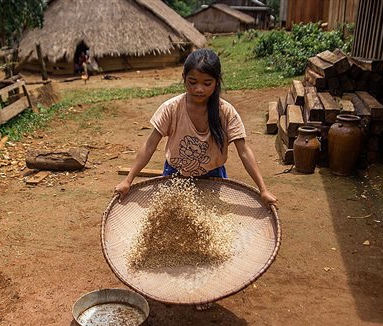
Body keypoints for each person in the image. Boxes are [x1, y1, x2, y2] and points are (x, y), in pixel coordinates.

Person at [114, 48, 277, 209]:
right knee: (173, 217)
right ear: (184, 78)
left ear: (217, 82)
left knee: (209, 220)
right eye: (192, 82)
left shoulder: (226, 112)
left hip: (212, 176)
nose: (199, 89)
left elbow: (244, 151)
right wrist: (128, 181)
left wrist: (263, 189)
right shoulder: (171, 108)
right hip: (174, 174)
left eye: (207, 83)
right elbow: (150, 145)